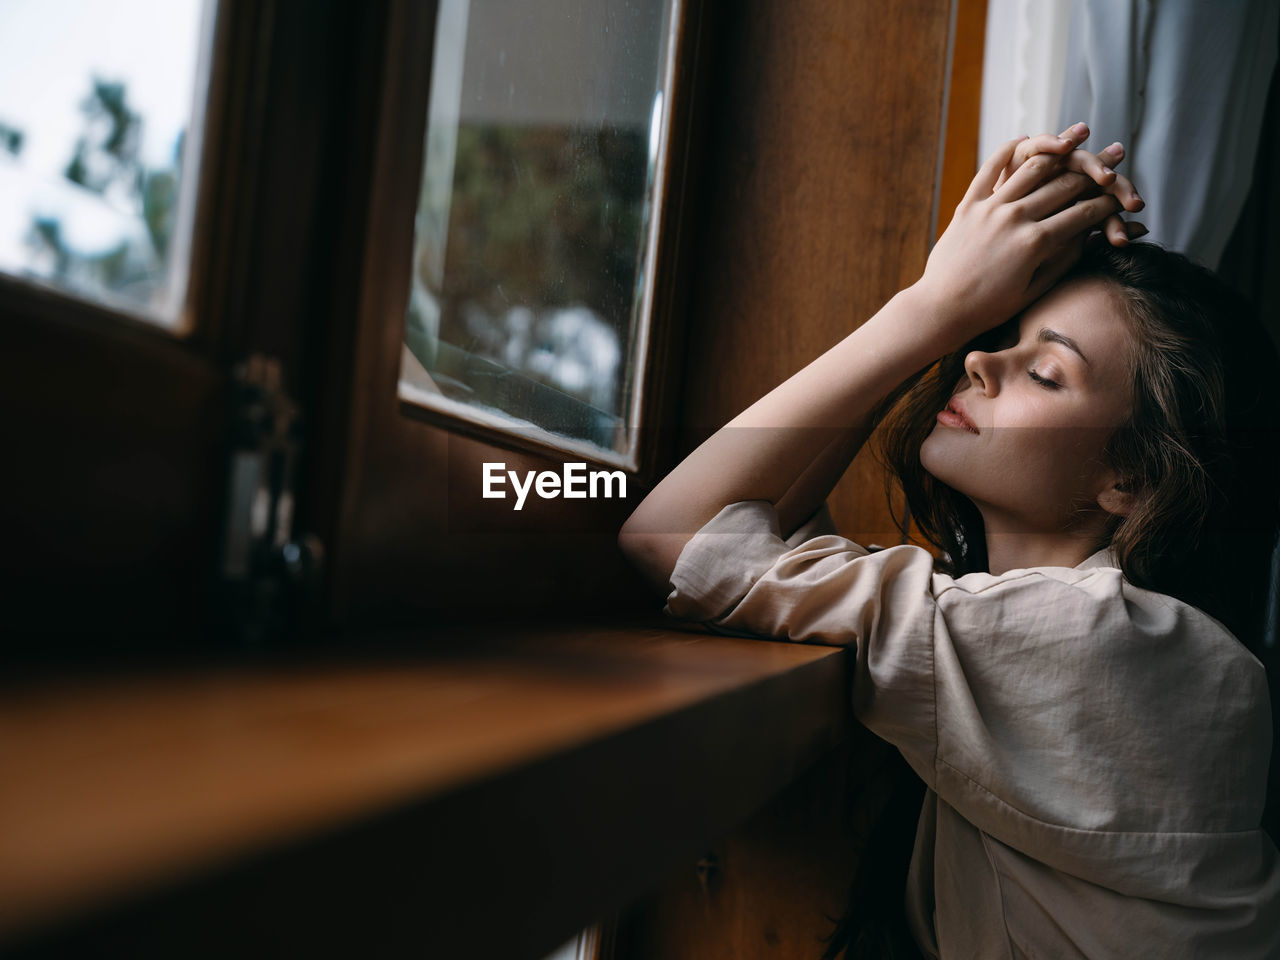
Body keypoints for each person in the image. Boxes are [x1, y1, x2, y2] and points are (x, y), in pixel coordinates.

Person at [617, 122, 1280, 958]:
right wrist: (949, 303)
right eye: (995, 336)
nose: (976, 361)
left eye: (1044, 371)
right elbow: (761, 525)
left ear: (1134, 481)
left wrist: (935, 307)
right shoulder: (1039, 628)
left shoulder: (1100, 642)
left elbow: (675, 535)